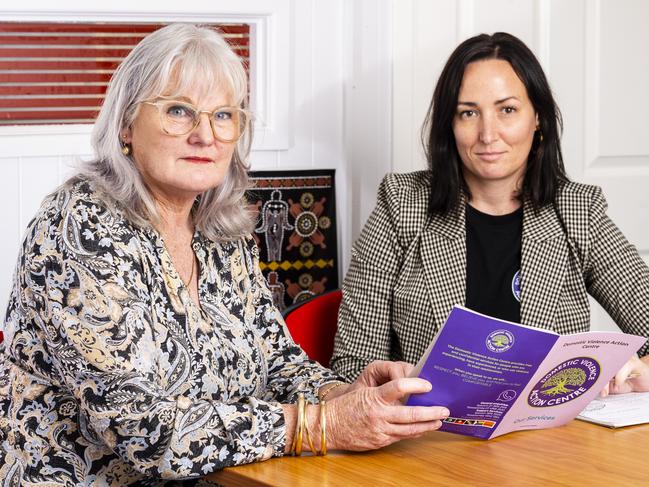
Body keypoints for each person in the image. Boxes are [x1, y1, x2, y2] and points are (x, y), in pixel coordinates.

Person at [0, 24, 449, 485]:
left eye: (223, 115)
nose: (205, 134)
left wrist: (344, 394)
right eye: (179, 110)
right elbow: (145, 433)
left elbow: (278, 363)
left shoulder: (221, 230)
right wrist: (322, 424)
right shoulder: (78, 225)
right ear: (125, 126)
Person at [331, 32, 649, 396]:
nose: (487, 134)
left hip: (550, 440)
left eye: (507, 110)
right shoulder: (402, 204)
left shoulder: (577, 211)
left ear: (538, 119)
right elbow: (352, 367)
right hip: (430, 438)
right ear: (449, 125)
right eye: (468, 113)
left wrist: (634, 369)